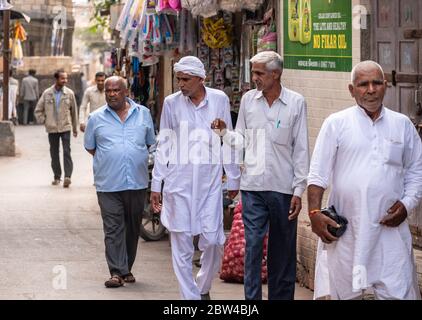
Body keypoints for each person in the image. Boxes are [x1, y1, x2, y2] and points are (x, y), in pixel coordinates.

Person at [307, 60, 422, 300]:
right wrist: (315, 212)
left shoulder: (402, 125)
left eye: (376, 83)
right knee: (347, 294)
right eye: (363, 84)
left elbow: (416, 171)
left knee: (398, 292)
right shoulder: (336, 124)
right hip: (349, 231)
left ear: (385, 86)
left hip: (389, 231)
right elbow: (318, 174)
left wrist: (407, 204)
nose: (371, 89)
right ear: (352, 90)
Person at [211, 51, 310, 300]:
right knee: (252, 246)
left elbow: (301, 149)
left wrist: (299, 190)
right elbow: (241, 140)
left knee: (282, 250)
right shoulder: (248, 100)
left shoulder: (296, 102)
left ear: (275, 74)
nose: (254, 78)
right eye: (253, 72)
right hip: (253, 186)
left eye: (259, 73)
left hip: (283, 188)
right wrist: (224, 133)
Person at [150, 56, 241, 300]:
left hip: (209, 183)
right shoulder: (171, 103)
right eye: (178, 79)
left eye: (186, 79)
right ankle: (189, 298)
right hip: (178, 182)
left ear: (201, 79)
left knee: (213, 240)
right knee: (181, 243)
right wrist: (156, 183)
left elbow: (227, 139)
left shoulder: (219, 99)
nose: (181, 84)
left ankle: (202, 286)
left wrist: (233, 178)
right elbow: (164, 144)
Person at [84, 76, 155, 288]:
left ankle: (126, 268)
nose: (112, 94)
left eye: (116, 90)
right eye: (108, 91)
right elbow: (90, 147)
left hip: (137, 182)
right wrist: (111, 158)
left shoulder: (143, 114)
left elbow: (151, 142)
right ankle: (116, 272)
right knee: (113, 228)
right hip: (108, 184)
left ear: (126, 92)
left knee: (132, 228)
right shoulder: (95, 118)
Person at [34, 70, 78, 187]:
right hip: (52, 128)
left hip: (65, 127)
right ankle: (57, 177)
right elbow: (38, 110)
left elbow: (74, 112)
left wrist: (75, 128)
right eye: (62, 78)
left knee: (67, 151)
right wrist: (45, 121)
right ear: (56, 79)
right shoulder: (47, 93)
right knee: (54, 153)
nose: (65, 81)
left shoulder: (69, 93)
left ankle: (68, 176)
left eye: (66, 78)